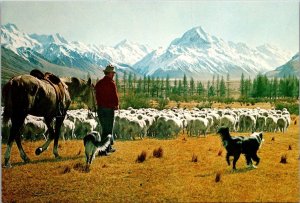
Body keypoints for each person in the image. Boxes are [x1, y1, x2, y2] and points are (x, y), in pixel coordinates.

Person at [95, 64, 119, 155]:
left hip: (100, 109)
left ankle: (108, 147)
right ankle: (102, 150)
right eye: (112, 73)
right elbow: (115, 96)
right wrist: (116, 105)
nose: (113, 74)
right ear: (108, 73)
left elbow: (95, 95)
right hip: (109, 109)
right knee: (108, 130)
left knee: (105, 129)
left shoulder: (99, 83)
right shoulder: (111, 83)